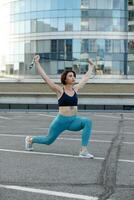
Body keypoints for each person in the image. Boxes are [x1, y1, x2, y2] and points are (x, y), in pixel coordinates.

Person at [25, 55, 95, 158]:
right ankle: (30, 139)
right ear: (65, 79)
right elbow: (46, 78)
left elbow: (85, 78)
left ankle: (83, 150)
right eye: (70, 76)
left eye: (73, 76)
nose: (73, 77)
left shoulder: (75, 89)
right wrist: (37, 63)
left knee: (87, 122)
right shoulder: (59, 90)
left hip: (73, 121)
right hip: (61, 121)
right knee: (48, 140)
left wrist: (91, 66)